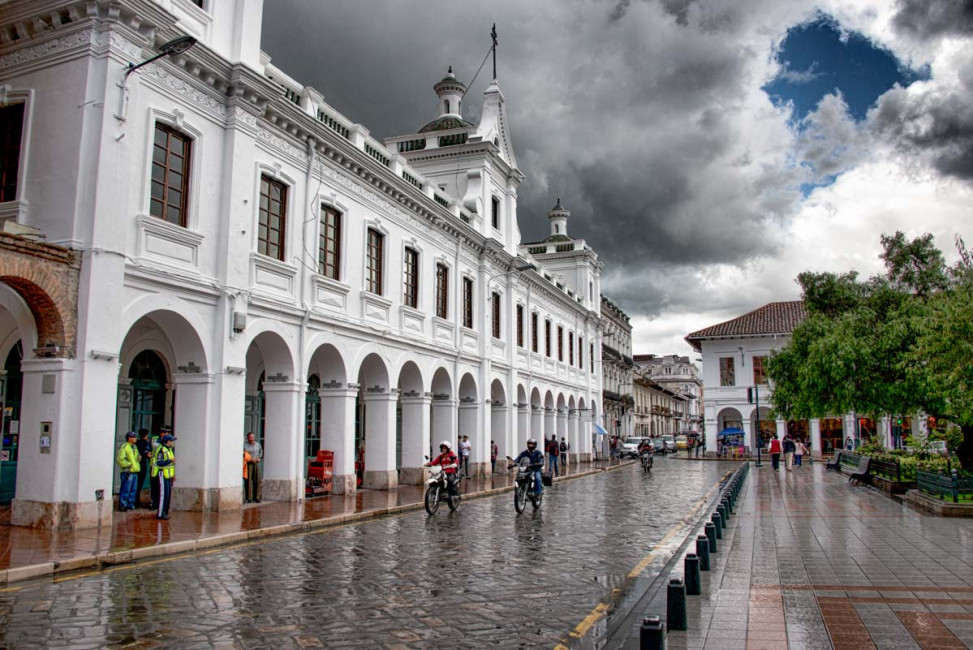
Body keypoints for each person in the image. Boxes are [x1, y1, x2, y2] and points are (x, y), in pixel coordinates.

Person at [116, 431, 140, 512]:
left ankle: (130, 504)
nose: (136, 438)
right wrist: (129, 464)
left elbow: (136, 457)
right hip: (128, 472)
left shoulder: (134, 447)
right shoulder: (125, 447)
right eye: (134, 437)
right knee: (126, 489)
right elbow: (120, 459)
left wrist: (139, 458)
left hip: (134, 471)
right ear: (129, 438)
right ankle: (123, 505)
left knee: (133, 490)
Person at [155, 434, 176, 520]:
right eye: (172, 441)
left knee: (167, 495)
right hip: (162, 474)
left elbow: (172, 465)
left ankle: (165, 512)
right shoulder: (161, 450)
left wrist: (173, 475)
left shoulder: (169, 450)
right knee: (163, 495)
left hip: (168, 475)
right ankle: (160, 514)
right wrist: (169, 460)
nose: (173, 443)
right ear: (168, 441)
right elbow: (159, 463)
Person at [243, 431, 263, 503]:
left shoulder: (258, 445)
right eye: (250, 437)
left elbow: (261, 452)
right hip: (248, 464)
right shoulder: (245, 445)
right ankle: (249, 498)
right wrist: (251, 459)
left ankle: (257, 497)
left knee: (257, 480)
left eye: (252, 437)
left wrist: (259, 458)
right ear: (248, 438)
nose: (251, 438)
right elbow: (244, 454)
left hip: (256, 464)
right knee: (248, 481)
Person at [136, 429, 152, 508]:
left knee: (136, 484)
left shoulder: (137, 443)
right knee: (139, 483)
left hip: (137, 465)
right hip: (142, 464)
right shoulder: (146, 444)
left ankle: (135, 500)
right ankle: (137, 501)